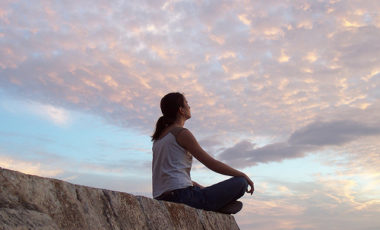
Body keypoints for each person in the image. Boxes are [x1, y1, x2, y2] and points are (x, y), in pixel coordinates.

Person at [151, 92, 254, 214]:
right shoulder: (181, 133)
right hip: (182, 197)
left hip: (162, 197)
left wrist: (204, 189)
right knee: (240, 183)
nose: (189, 107)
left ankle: (215, 202)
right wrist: (243, 175)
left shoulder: (158, 140)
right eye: (187, 103)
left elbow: (174, 179)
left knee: (197, 187)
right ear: (181, 110)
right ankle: (217, 205)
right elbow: (212, 163)